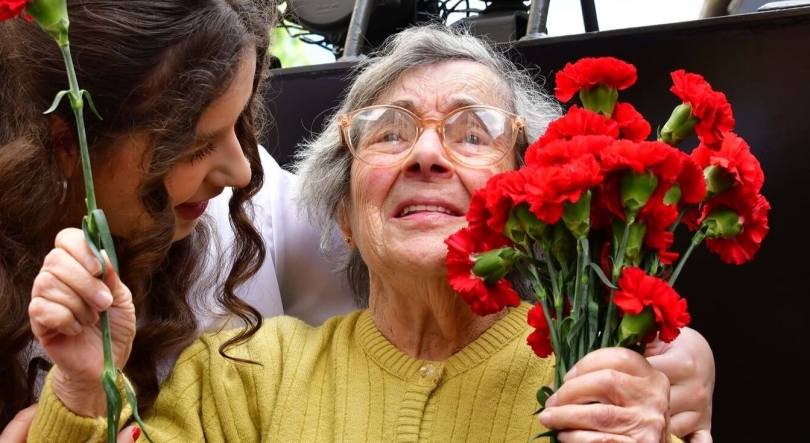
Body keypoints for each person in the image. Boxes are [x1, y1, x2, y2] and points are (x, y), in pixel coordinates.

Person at [27, 25, 714, 442]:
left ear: (536, 201)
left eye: (472, 132)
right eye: (389, 131)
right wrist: (85, 388)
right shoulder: (241, 372)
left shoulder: (597, 375)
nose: (426, 154)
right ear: (346, 216)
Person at [0, 0, 354, 436]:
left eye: (240, 121)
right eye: (196, 148)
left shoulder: (251, 209)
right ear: (69, 145)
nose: (241, 171)